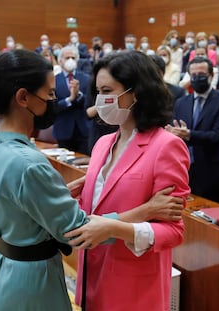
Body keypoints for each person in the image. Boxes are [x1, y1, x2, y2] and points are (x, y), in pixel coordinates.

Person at [63, 50, 190, 310]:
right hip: (92, 274)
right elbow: (95, 213)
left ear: (136, 93)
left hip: (132, 284)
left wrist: (114, 228)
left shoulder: (167, 146)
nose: (101, 100)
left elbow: (173, 231)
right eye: (98, 91)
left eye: (108, 90)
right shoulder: (102, 144)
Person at [0, 49, 91, 310]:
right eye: (49, 94)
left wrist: (54, 194)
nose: (54, 100)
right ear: (23, 97)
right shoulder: (29, 163)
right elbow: (76, 230)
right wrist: (144, 213)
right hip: (30, 282)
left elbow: (15, 201)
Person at [166, 57, 219, 203]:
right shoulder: (181, 102)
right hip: (184, 170)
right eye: (194, 75)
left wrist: (189, 134)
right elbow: (175, 129)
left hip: (211, 171)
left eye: (202, 75)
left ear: (211, 76)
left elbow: (218, 136)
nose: (197, 78)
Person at [54, 46, 91, 154]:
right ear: (60, 61)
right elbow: (53, 105)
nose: (70, 60)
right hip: (63, 130)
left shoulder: (86, 78)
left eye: (73, 58)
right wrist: (69, 99)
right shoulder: (54, 80)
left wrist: (78, 95)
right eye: (67, 58)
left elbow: (90, 102)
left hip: (83, 130)